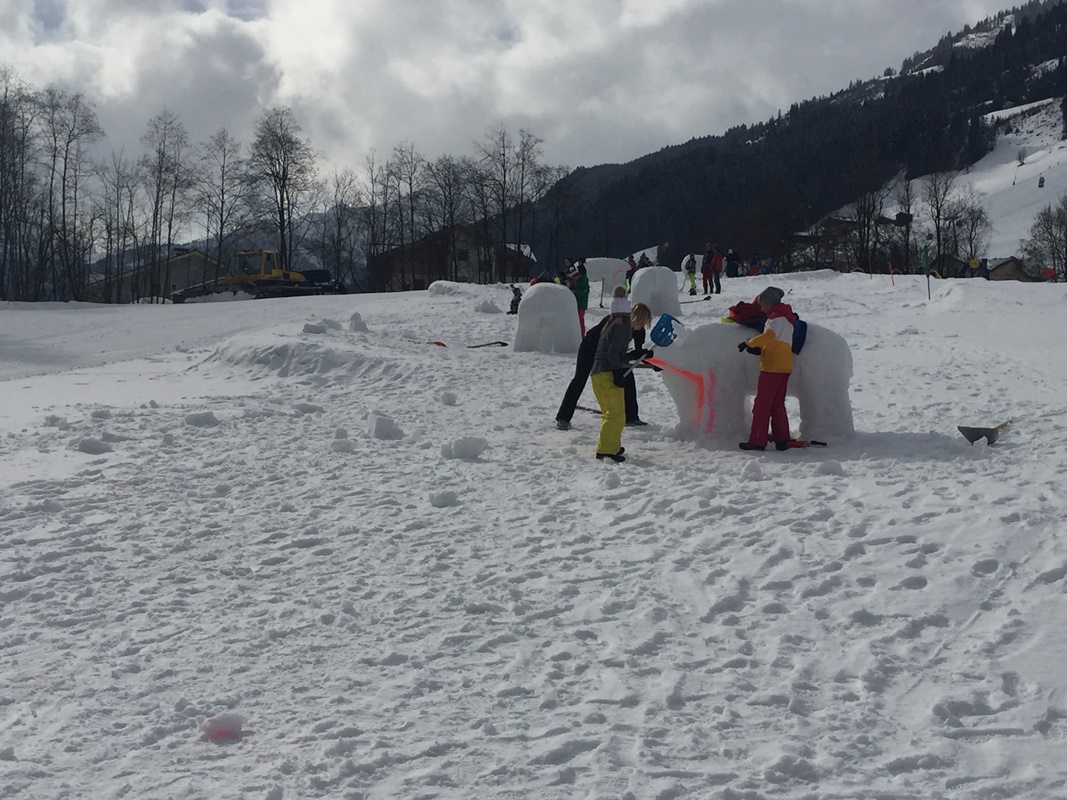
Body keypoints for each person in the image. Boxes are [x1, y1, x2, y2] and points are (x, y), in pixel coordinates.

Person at [556, 295, 653, 431]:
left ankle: (631, 417)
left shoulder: (638, 330)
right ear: (635, 318)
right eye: (641, 323)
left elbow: (637, 352)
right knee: (579, 380)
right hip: (590, 348)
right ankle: (563, 418)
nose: (641, 327)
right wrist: (626, 358)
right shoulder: (614, 322)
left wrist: (650, 361)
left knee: (628, 376)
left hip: (612, 354)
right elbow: (610, 352)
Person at [737, 286, 798, 451]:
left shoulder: (776, 319)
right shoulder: (786, 319)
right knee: (777, 405)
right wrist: (760, 349)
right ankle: (782, 438)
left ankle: (757, 440)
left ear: (769, 304)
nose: (760, 307)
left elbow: (769, 336)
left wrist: (748, 343)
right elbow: (776, 342)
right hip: (784, 366)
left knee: (762, 405)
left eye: (762, 304)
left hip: (772, 368)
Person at [591, 292, 641, 462]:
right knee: (616, 415)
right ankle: (606, 451)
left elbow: (614, 353)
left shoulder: (609, 326)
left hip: (598, 374)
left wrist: (636, 354)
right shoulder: (620, 327)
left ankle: (611, 445)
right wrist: (617, 373)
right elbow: (613, 354)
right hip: (607, 374)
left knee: (609, 413)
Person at [570, 258, 590, 337]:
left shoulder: (583, 280)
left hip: (581, 304)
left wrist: (575, 292)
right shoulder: (577, 281)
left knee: (580, 320)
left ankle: (582, 335)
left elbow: (584, 292)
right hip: (576, 303)